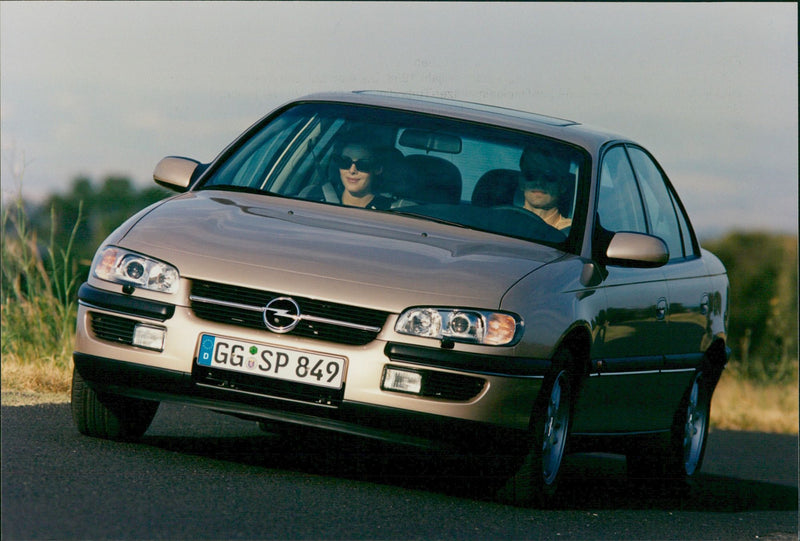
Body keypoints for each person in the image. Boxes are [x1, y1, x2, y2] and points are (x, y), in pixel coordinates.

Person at [518, 144, 573, 230]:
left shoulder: (573, 232)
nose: (539, 182)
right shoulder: (501, 221)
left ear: (563, 185)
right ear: (521, 182)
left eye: (549, 176)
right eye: (531, 174)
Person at [332, 142, 394, 210]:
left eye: (363, 164)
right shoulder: (322, 201)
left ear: (377, 169)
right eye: (345, 162)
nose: (352, 170)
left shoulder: (391, 210)